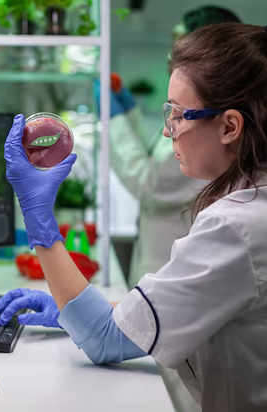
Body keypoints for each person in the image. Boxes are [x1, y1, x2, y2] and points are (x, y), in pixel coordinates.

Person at [0, 14, 267, 412]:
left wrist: (37, 215)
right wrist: (69, 313)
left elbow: (104, 340)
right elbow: (152, 319)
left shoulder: (240, 224)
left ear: (230, 126)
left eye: (178, 115)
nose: (167, 130)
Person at [99, 6, 241, 290]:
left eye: (178, 45)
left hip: (172, 271)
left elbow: (151, 182)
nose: (170, 57)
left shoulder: (209, 128)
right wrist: (128, 115)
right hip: (163, 264)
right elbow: (159, 156)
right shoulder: (199, 121)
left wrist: (115, 121)